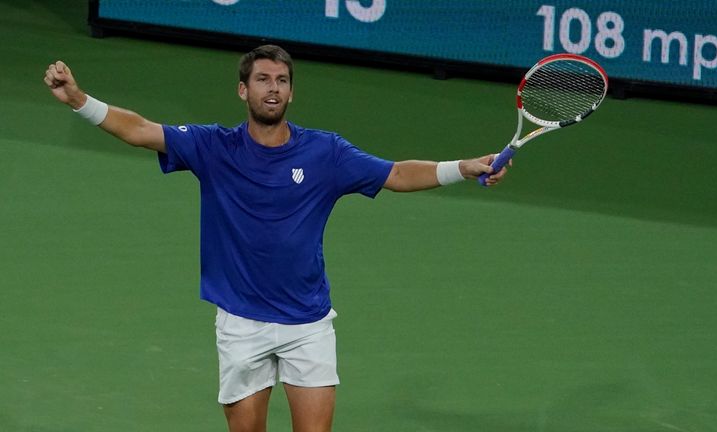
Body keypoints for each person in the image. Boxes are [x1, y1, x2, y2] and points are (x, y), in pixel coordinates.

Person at [44, 45, 508, 432]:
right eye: (263, 79)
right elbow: (141, 130)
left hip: (307, 324)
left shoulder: (326, 152)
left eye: (282, 80)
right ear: (244, 90)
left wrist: (462, 168)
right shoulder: (213, 146)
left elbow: (396, 174)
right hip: (241, 323)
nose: (274, 88)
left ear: (291, 91)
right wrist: (78, 99)